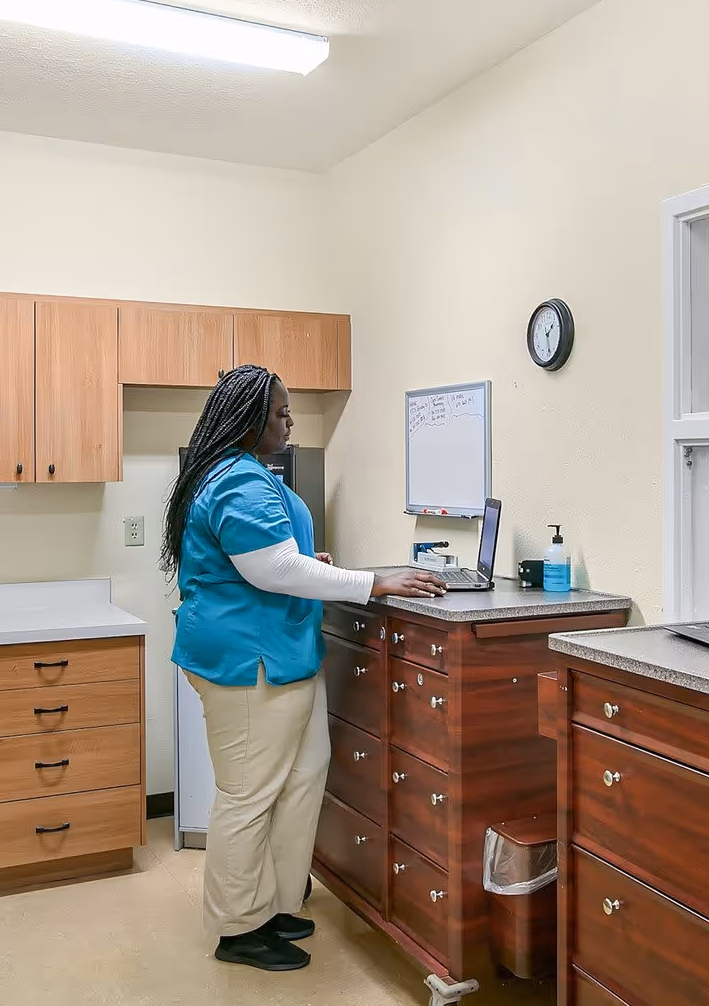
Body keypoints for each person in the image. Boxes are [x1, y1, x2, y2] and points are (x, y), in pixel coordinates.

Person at [161, 364, 447, 972]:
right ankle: (238, 927)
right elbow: (273, 571)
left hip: (282, 654)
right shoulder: (239, 481)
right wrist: (374, 582)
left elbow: (271, 559)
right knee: (249, 794)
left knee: (302, 778)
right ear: (249, 420)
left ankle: (274, 904)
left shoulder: (245, 476)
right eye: (281, 414)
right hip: (248, 663)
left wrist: (300, 561)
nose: (290, 423)